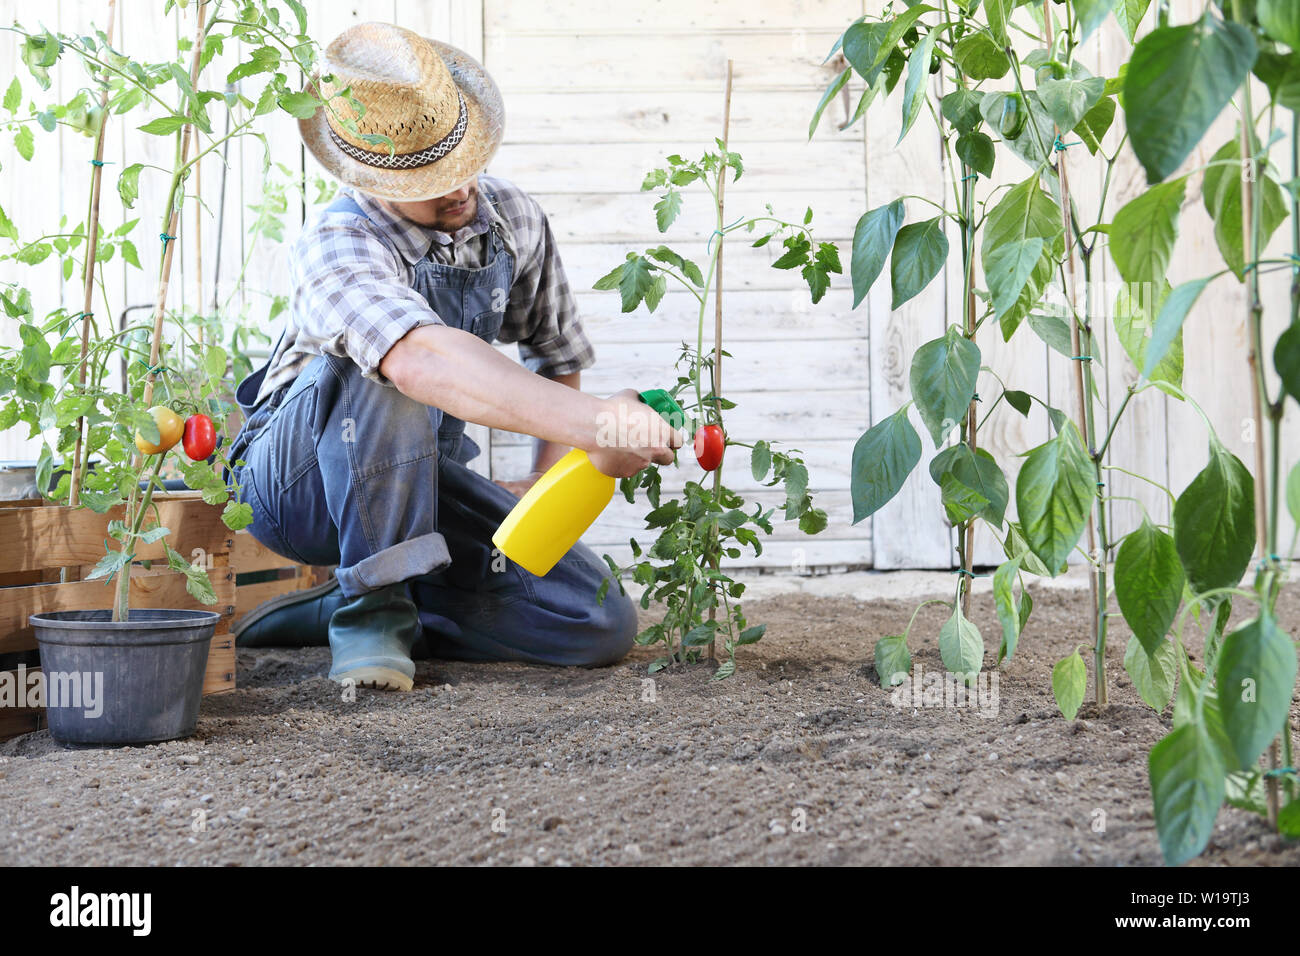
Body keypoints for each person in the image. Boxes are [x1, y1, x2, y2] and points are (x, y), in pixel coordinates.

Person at [227, 22, 681, 691]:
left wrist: (544, 483)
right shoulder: (337, 242)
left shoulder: (512, 220)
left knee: (595, 621)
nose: (459, 185)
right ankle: (369, 615)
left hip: (419, 477)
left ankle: (379, 598)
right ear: (373, 176)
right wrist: (596, 426)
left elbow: (556, 354)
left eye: (462, 159)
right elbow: (418, 361)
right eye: (431, 176)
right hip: (293, 491)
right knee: (385, 366)